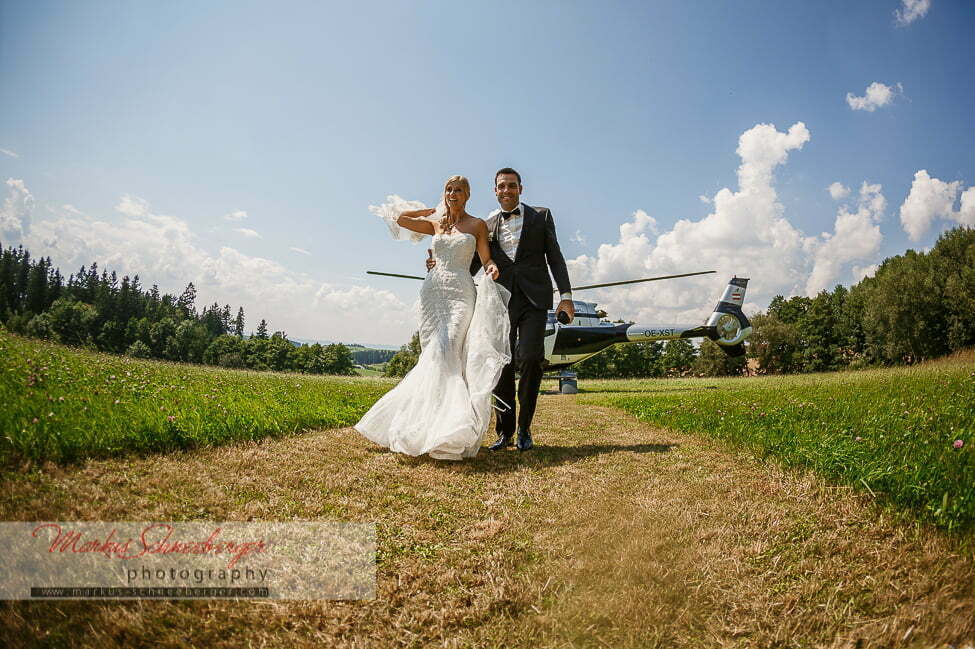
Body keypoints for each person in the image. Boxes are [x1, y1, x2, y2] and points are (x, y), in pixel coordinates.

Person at [354, 176, 511, 460]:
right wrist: (429, 210)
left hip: (461, 293)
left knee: (449, 350)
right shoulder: (436, 223)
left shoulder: (477, 225)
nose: (453, 194)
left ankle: (451, 428)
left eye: (459, 190)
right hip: (432, 294)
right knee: (434, 354)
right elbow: (400, 219)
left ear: (468, 195)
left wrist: (491, 268)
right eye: (449, 189)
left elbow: (486, 258)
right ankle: (425, 423)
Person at [427, 168, 573, 451]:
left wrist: (565, 295)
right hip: (498, 300)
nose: (506, 190)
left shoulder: (541, 216)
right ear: (494, 191)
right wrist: (440, 263)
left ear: (521, 188)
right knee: (501, 364)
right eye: (501, 186)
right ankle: (504, 432)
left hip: (534, 299)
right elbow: (472, 262)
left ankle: (524, 429)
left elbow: (555, 257)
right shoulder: (487, 224)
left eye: (511, 186)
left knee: (531, 358)